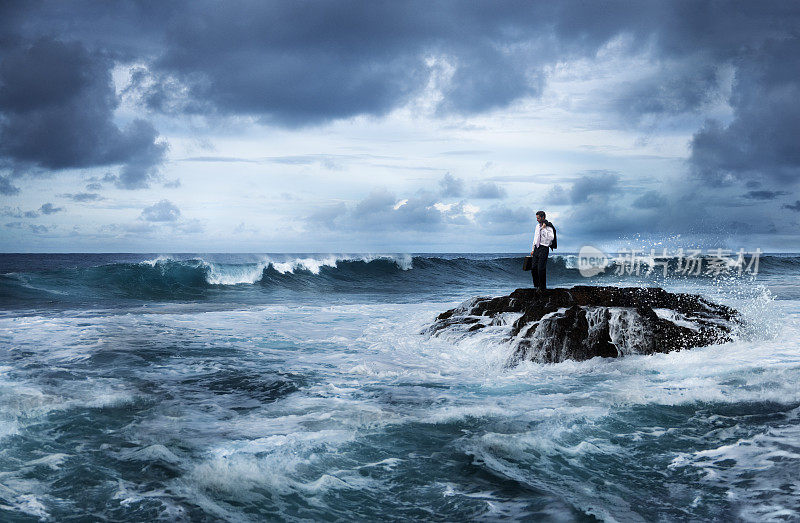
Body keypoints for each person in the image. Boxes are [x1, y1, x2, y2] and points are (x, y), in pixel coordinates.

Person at [530, 210, 555, 289]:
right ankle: (536, 286)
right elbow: (535, 238)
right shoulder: (537, 226)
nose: (537, 219)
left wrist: (544, 229)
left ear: (543, 217)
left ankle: (542, 287)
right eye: (536, 218)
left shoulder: (549, 227)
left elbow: (551, 238)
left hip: (544, 248)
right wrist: (533, 249)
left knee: (541, 268)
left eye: (538, 218)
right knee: (533, 268)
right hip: (537, 248)